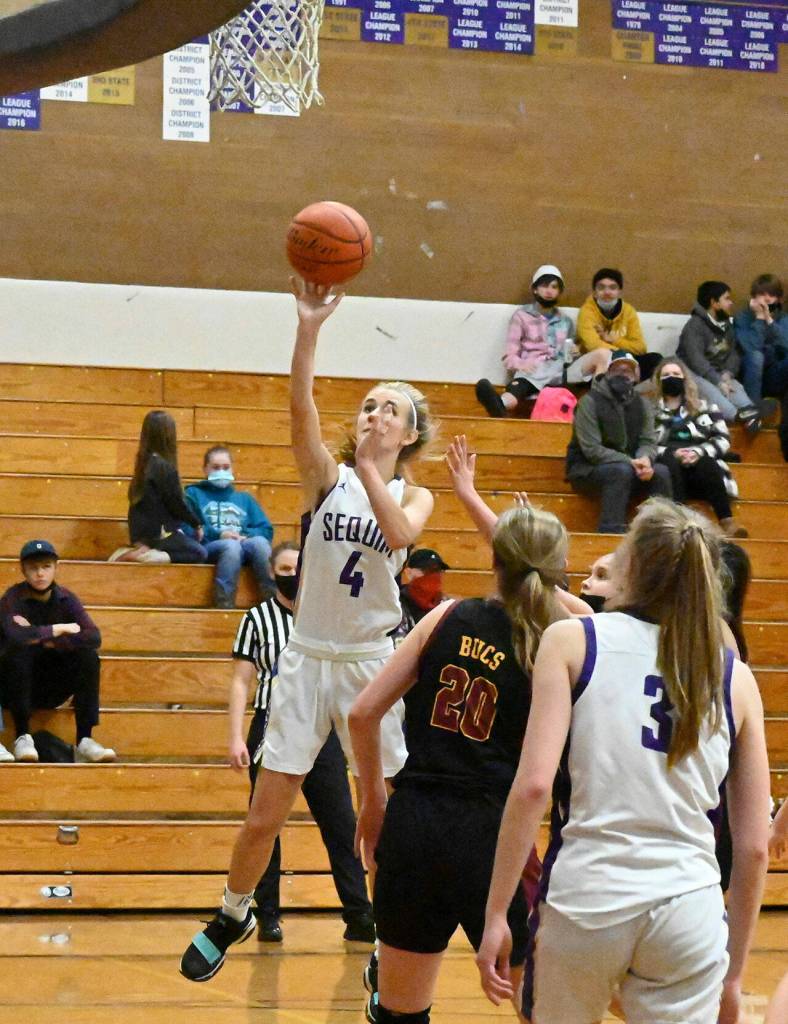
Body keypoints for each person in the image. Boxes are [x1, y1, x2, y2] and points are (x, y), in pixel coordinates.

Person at [179, 277, 435, 983]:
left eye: (391, 409)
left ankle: (388, 940)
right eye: (370, 404)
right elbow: (300, 410)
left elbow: (397, 530)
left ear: (409, 434)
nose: (376, 413)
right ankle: (234, 911)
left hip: (371, 666)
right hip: (306, 658)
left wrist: (366, 468)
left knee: (377, 817)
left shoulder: (414, 492)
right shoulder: (327, 478)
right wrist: (307, 330)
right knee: (265, 812)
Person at [477, 498, 771, 1024]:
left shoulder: (573, 640)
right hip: (689, 907)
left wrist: (498, 910)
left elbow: (533, 788)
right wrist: (733, 975)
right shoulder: (734, 677)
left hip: (587, 896)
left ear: (631, 564)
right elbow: (752, 847)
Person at [349, 504, 569, 1024]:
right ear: (558, 569)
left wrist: (375, 802)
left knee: (399, 1013)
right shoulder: (561, 638)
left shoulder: (445, 615)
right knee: (538, 1010)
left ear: (493, 558)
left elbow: (362, 715)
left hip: (414, 821)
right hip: (490, 834)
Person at [228, 539, 374, 944]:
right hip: (272, 726)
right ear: (273, 572)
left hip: (322, 729)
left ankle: (360, 915)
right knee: (266, 826)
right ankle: (267, 914)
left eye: (299, 568)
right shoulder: (256, 618)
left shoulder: (326, 618)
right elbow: (241, 680)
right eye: (285, 569)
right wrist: (235, 736)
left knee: (342, 824)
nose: (293, 576)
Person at [0, 540, 115, 764]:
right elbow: (15, 635)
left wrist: (43, 640)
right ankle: (22, 735)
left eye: (46, 567)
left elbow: (93, 637)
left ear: (55, 567)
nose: (40, 574)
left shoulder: (66, 599)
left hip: (51, 686)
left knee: (88, 657)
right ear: (23, 570)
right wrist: (58, 629)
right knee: (20, 651)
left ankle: (85, 739)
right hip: (15, 688)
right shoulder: (12, 598)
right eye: (33, 568)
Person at [475, 266, 610, 418]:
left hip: (561, 373)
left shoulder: (566, 321)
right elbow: (510, 355)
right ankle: (499, 404)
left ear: (559, 292)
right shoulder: (521, 316)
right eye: (545, 286)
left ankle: (600, 407)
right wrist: (522, 364)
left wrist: (576, 352)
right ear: (535, 289)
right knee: (517, 391)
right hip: (533, 372)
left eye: (554, 287)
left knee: (603, 355)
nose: (549, 291)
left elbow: (569, 355)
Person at [566, 350, 672, 533]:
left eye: (628, 371)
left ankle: (662, 533)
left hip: (632, 468)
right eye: (618, 370)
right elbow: (591, 449)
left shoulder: (643, 404)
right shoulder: (589, 402)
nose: (623, 374)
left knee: (661, 472)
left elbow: (648, 440)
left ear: (636, 377)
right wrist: (631, 462)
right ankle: (611, 531)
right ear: (607, 373)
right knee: (620, 471)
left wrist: (645, 459)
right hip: (586, 469)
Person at [653, 357, 747, 538]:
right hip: (669, 471)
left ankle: (727, 521)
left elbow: (723, 439)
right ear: (658, 381)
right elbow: (645, 444)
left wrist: (698, 451)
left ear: (685, 379)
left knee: (707, 462)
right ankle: (678, 522)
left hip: (700, 469)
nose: (671, 378)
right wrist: (673, 453)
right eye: (665, 375)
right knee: (669, 463)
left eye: (675, 374)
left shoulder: (707, 408)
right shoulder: (649, 411)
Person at [111, 410, 207, 564]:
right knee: (199, 553)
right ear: (169, 436)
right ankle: (149, 556)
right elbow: (176, 503)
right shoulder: (164, 467)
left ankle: (141, 551)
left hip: (142, 535)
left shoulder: (143, 465)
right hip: (158, 535)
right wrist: (196, 523)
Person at [186, 446, 274, 608]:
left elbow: (266, 529)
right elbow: (190, 528)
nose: (221, 471)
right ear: (205, 469)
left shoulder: (244, 499)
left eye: (226, 467)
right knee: (231, 547)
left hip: (243, 543)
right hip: (209, 546)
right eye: (216, 467)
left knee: (260, 543)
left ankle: (274, 602)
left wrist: (245, 535)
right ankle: (224, 604)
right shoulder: (193, 494)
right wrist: (220, 534)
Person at [677, 280, 767, 431]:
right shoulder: (694, 326)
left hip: (719, 372)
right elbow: (696, 360)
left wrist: (728, 373)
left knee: (736, 389)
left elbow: (733, 353)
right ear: (714, 303)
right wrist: (718, 381)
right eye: (727, 298)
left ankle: (751, 414)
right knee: (713, 392)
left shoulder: (726, 325)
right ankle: (738, 416)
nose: (731, 303)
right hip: (694, 373)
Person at [734, 273, 788, 460]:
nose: (766, 299)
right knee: (756, 356)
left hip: (774, 377)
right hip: (748, 376)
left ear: (779, 299)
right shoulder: (742, 317)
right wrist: (758, 318)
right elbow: (750, 347)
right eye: (761, 294)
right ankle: (754, 412)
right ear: (753, 297)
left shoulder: (783, 318)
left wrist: (770, 321)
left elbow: (786, 343)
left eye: (771, 295)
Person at [575, 268, 661, 381]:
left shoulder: (629, 311)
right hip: (598, 361)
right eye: (601, 287)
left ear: (620, 292)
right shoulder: (586, 312)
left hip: (625, 358)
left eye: (612, 287)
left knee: (655, 359)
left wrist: (613, 340)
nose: (607, 292)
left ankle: (634, 392)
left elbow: (640, 348)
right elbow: (593, 345)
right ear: (595, 293)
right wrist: (622, 355)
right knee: (603, 355)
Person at [392, 547, 450, 644]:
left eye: (438, 571)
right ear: (408, 573)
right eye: (427, 571)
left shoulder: (447, 606)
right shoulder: (396, 605)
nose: (433, 576)